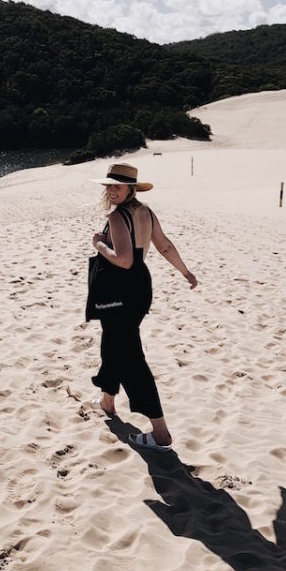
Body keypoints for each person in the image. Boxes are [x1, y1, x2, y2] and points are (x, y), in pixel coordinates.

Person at [88, 162, 197, 452]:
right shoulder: (145, 212)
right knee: (114, 344)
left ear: (130, 189)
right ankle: (108, 401)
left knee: (131, 358)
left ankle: (160, 432)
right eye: (108, 185)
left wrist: (98, 244)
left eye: (117, 186)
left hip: (119, 290)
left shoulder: (117, 217)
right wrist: (185, 272)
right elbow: (164, 246)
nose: (111, 190)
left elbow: (123, 259)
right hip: (138, 289)